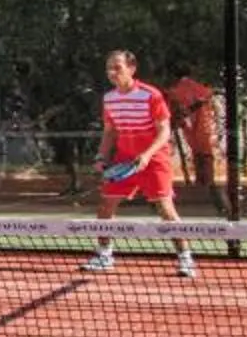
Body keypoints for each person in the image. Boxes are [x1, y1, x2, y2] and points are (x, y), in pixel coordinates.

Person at [88, 48, 197, 279]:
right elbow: (110, 132)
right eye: (109, 68)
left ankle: (185, 259)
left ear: (132, 69)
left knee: (166, 210)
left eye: (117, 67)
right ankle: (104, 255)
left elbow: (164, 130)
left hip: (154, 160)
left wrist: (147, 155)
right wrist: (101, 157)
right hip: (124, 161)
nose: (112, 72)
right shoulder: (109, 98)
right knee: (105, 207)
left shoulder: (151, 95)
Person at [162, 66, 229, 215]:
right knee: (205, 157)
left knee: (202, 158)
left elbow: (176, 109)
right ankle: (210, 191)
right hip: (205, 129)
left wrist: (175, 121)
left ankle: (210, 192)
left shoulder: (175, 91)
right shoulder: (201, 89)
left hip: (195, 130)